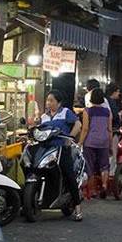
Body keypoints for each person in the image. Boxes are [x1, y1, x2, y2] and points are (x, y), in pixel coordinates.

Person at [40, 90, 84, 219]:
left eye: (51, 100)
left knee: (69, 175)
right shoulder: (44, 116)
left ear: (59, 102)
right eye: (48, 100)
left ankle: (77, 207)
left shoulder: (65, 112)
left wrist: (70, 137)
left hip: (62, 148)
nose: (48, 103)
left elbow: (78, 124)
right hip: (46, 149)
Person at [80, 88, 114, 199]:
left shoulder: (87, 111)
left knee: (90, 166)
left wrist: (80, 142)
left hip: (90, 141)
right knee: (104, 166)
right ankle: (104, 186)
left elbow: (85, 129)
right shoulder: (107, 112)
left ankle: (93, 191)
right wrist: (110, 144)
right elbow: (109, 129)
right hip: (104, 141)